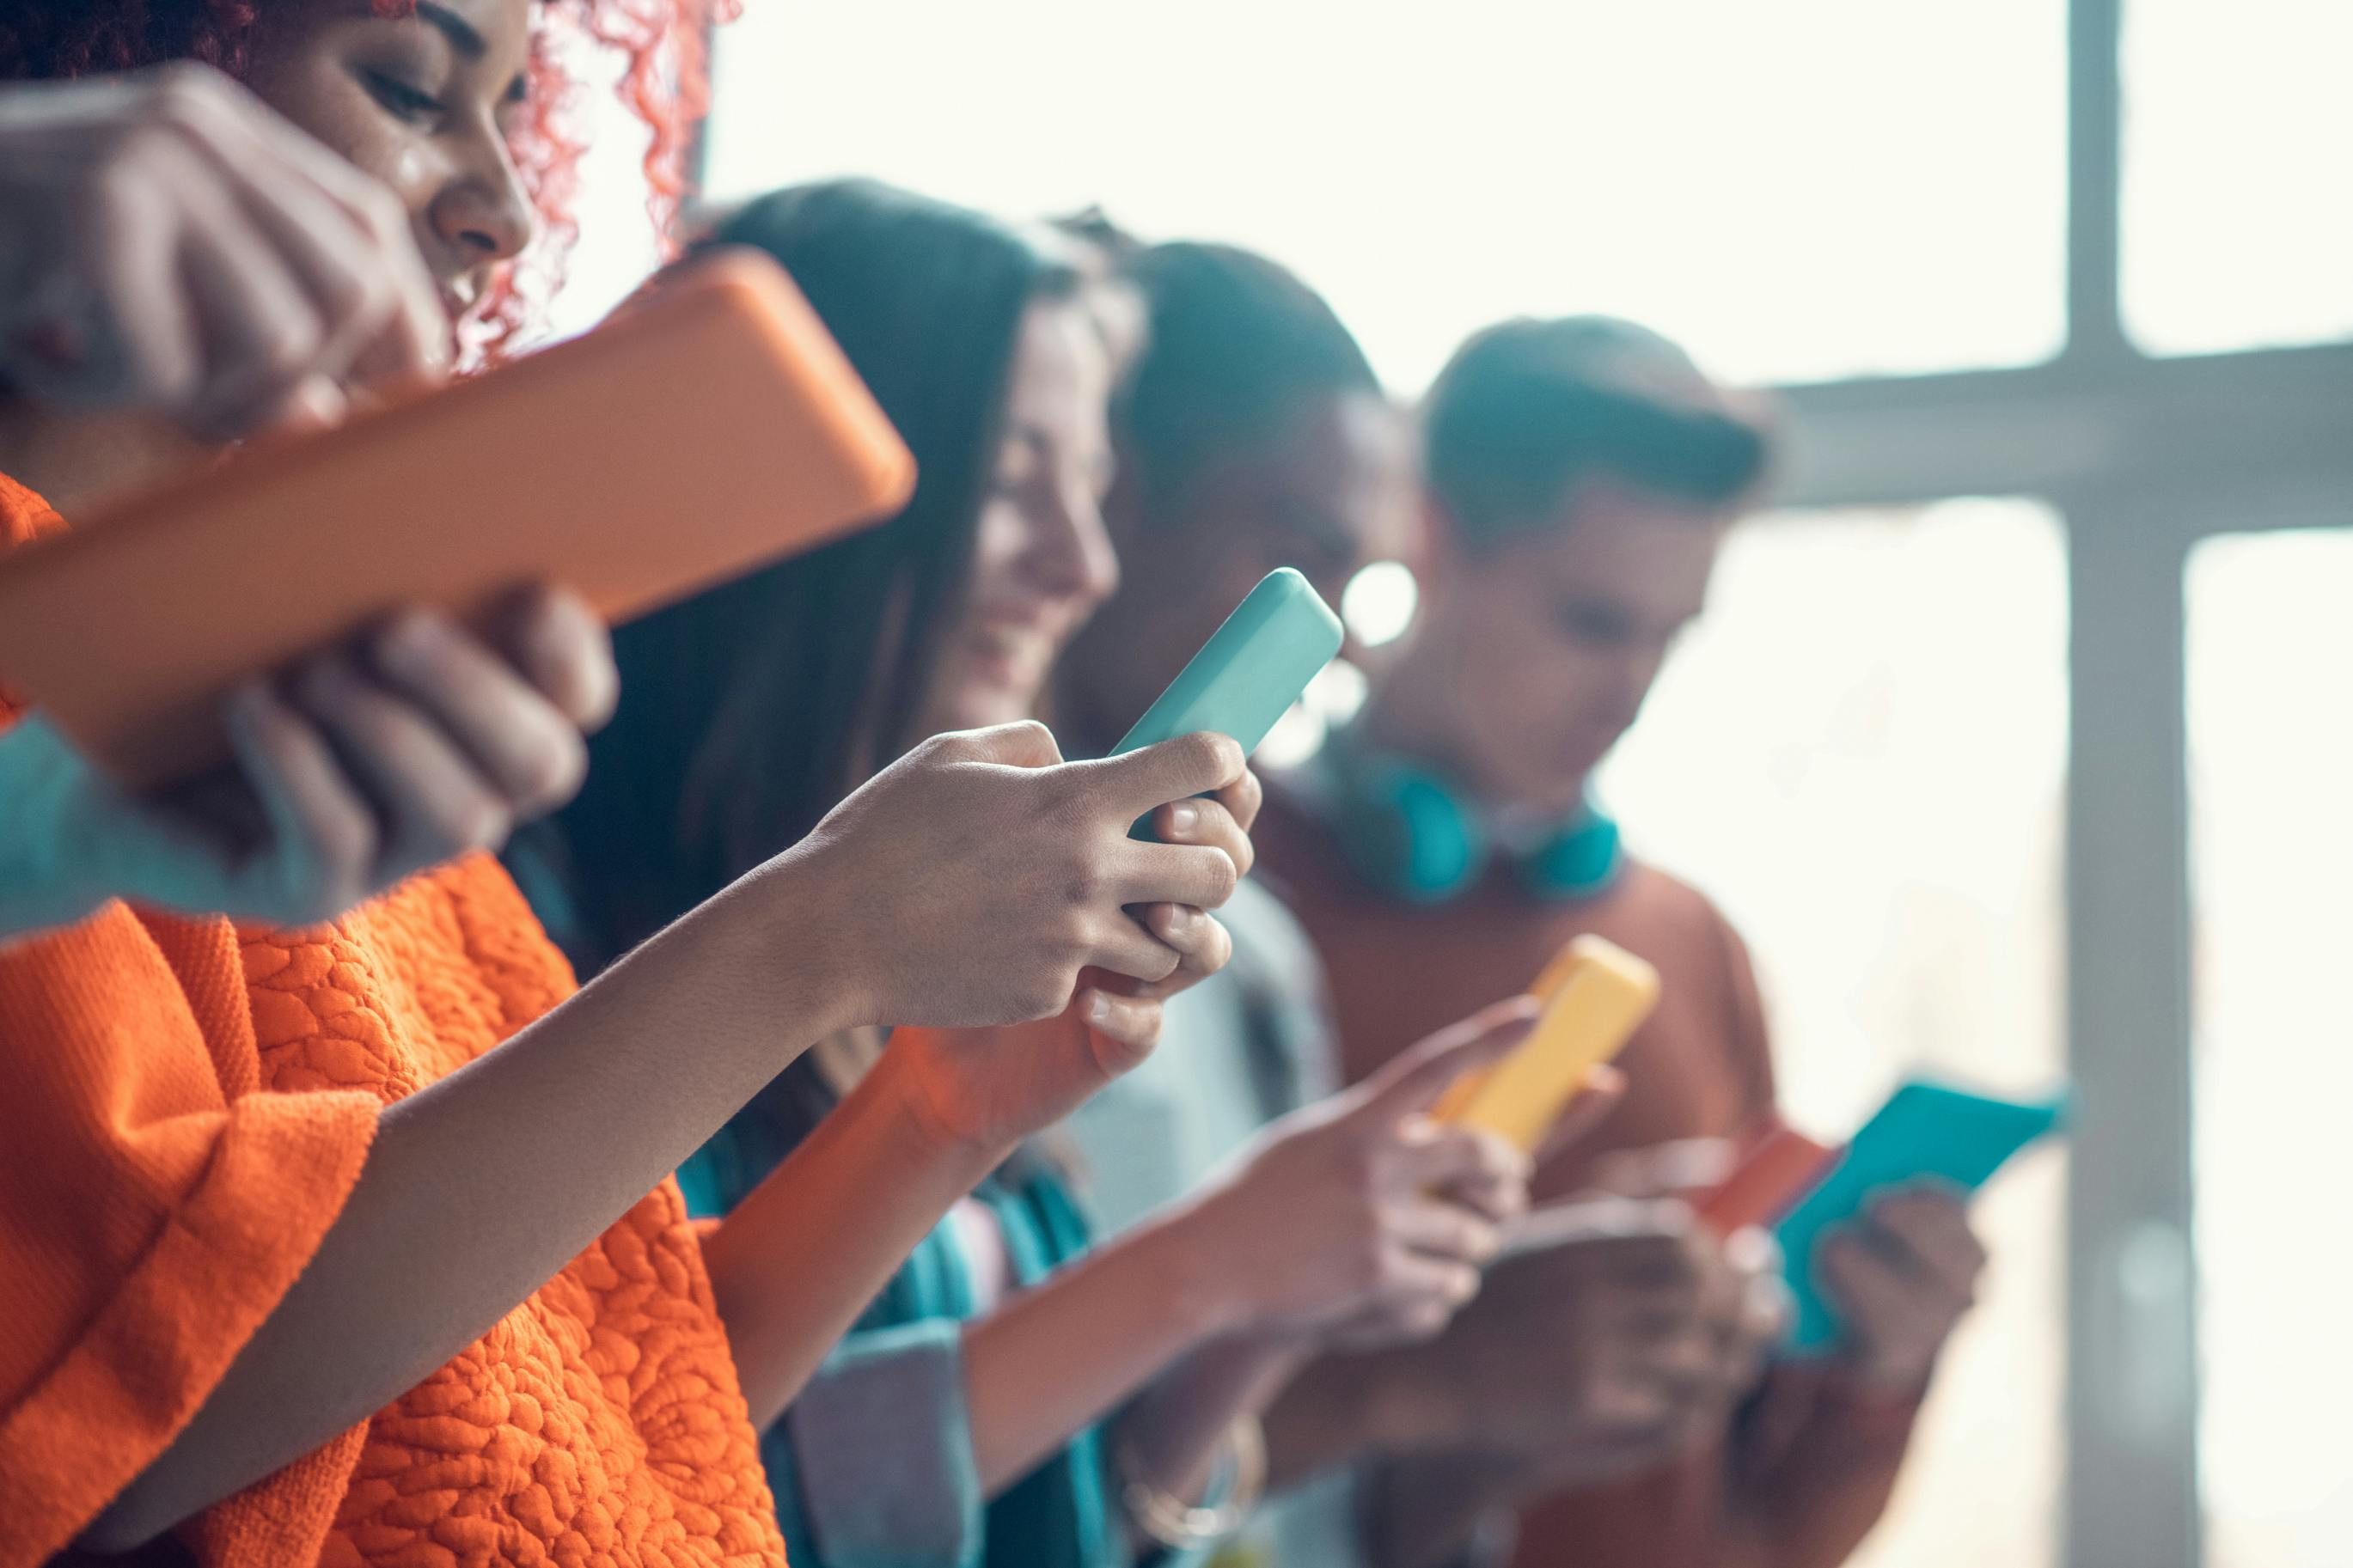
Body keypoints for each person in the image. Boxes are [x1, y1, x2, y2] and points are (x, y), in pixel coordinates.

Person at [0, 15, 1250, 1563]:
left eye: (513, 115)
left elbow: (579, 1396)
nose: (502, 210)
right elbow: (123, 1408)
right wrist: (811, 939)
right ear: (92, 75)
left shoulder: (317, 706)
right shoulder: (90, 668)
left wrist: (937, 1112)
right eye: (407, 86)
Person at [521, 180, 1564, 1568]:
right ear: (816, 486)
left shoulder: (941, 939)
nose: (1081, 564)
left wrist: (1266, 1307)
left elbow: (1074, 1509)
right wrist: (1203, 1266)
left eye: (1086, 489)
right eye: (1017, 485)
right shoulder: (539, 924)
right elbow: (599, 1472)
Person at [1250, 314, 1991, 1568]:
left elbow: (1754, 1530)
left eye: (1669, 635)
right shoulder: (1227, 894)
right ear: (1431, 538)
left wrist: (1879, 1371)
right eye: (1592, 622)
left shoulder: (1687, 947)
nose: (1629, 690)